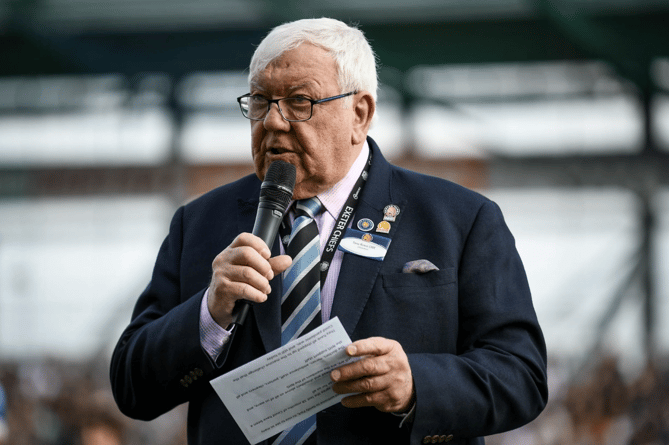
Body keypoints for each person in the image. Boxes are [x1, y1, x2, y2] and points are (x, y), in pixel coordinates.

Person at [110, 17, 548, 445]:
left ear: (361, 113)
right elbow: (132, 387)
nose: (274, 122)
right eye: (261, 102)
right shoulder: (199, 224)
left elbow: (521, 377)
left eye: (300, 101)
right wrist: (210, 312)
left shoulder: (461, 220)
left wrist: (417, 384)